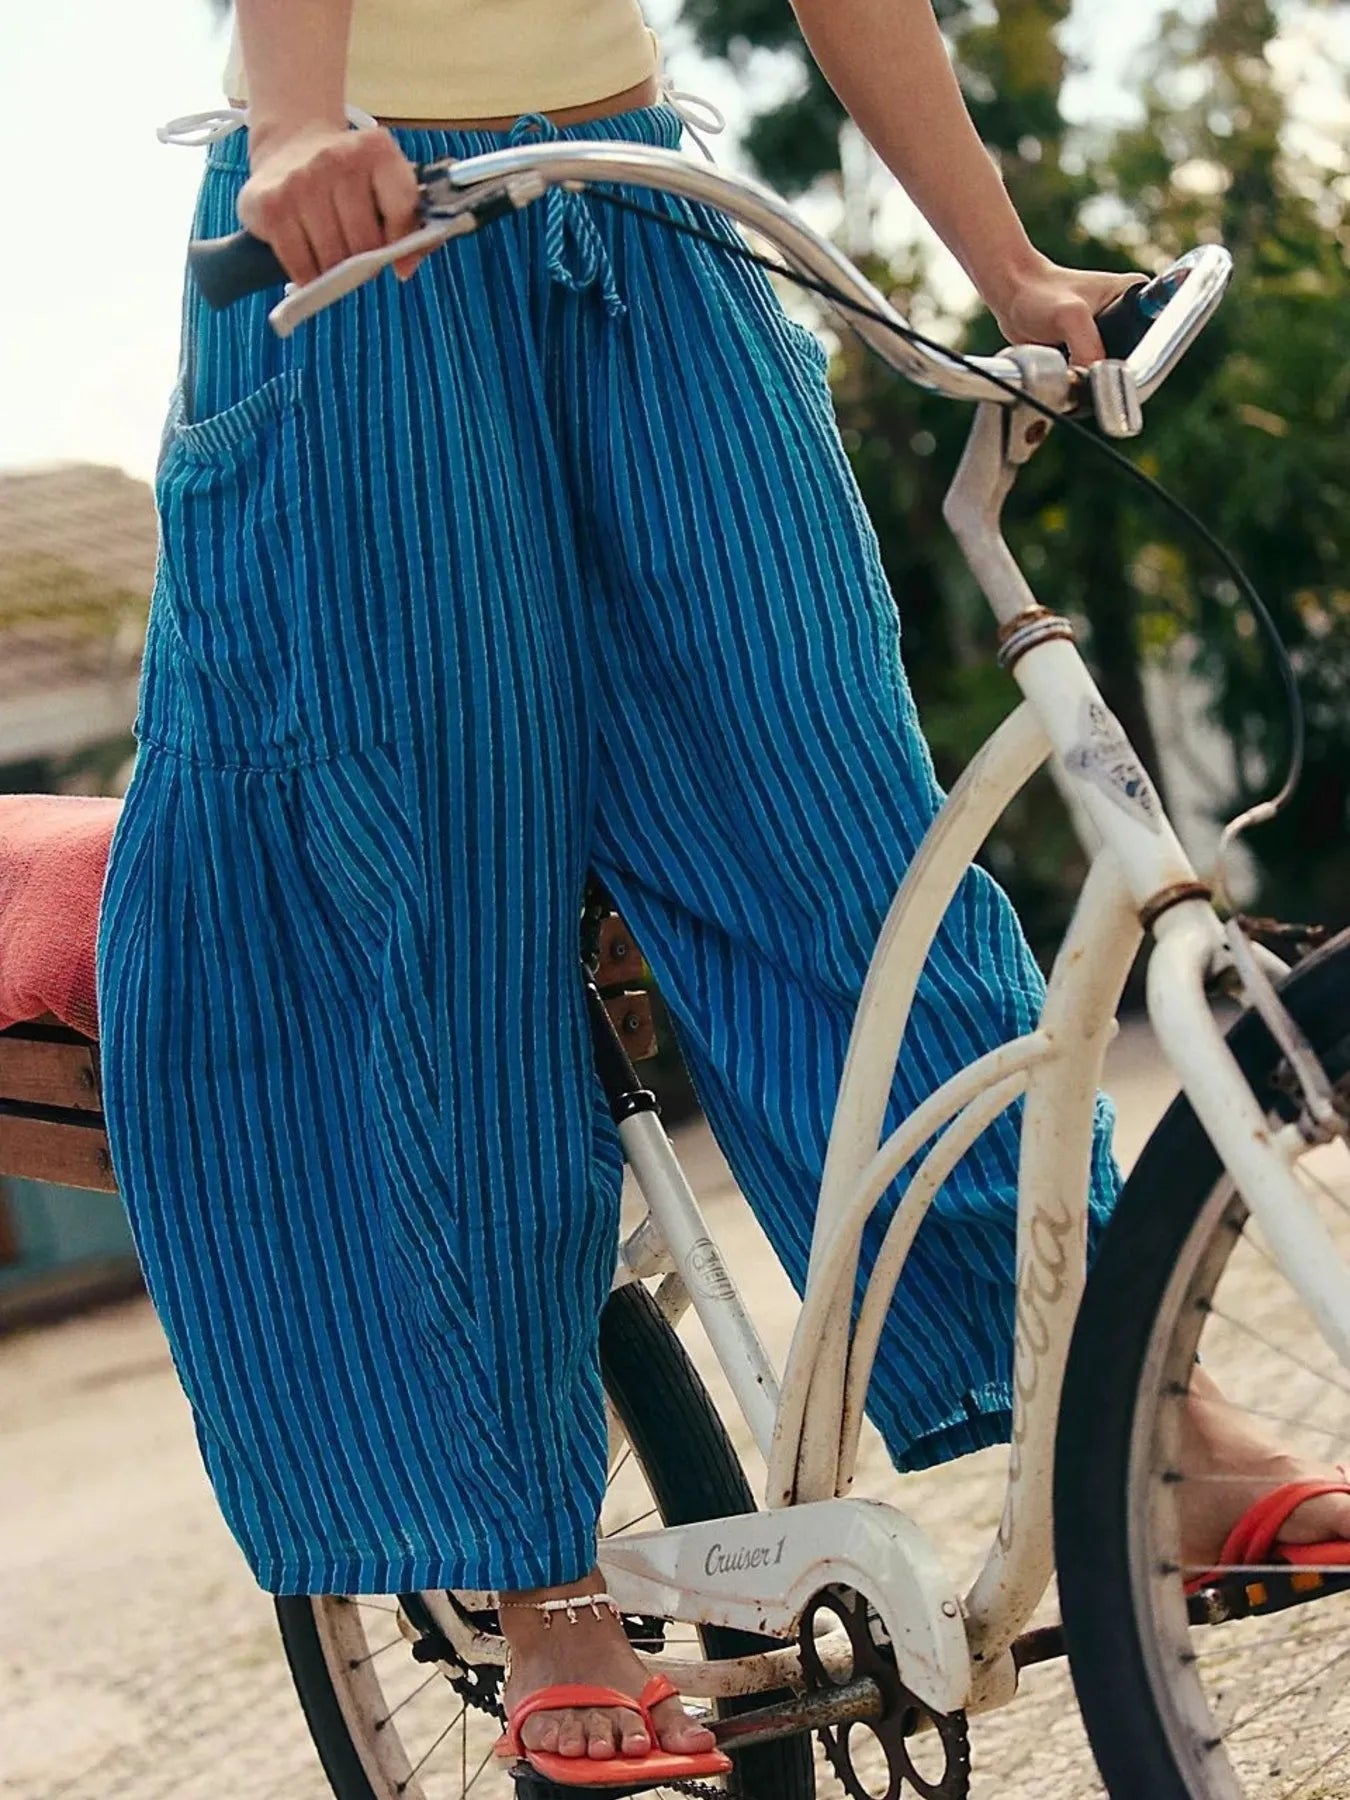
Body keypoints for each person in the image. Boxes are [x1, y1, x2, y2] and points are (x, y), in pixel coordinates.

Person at [97, 0, 1350, 1783]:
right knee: (421, 912)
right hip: (345, 238)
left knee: (846, 834)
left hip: (643, 205)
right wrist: (296, 123)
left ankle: (1127, 1409)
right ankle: (531, 1579)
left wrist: (1004, 268)